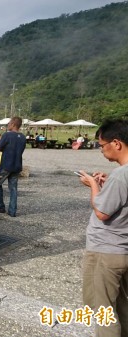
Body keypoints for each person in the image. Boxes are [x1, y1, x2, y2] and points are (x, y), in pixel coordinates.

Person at [78, 119, 128, 336]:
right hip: (123, 250)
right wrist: (106, 185)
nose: (101, 150)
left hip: (106, 251)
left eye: (102, 145)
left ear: (116, 143)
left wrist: (94, 185)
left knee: (104, 312)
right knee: (122, 307)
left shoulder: (119, 176)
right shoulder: (120, 176)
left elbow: (102, 212)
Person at [0, 117, 26, 217]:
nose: (8, 125)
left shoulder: (7, 135)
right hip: (17, 165)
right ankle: (12, 211)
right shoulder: (23, 137)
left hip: (6, 164)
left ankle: (0, 206)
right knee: (13, 188)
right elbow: (21, 151)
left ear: (13, 124)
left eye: (9, 123)